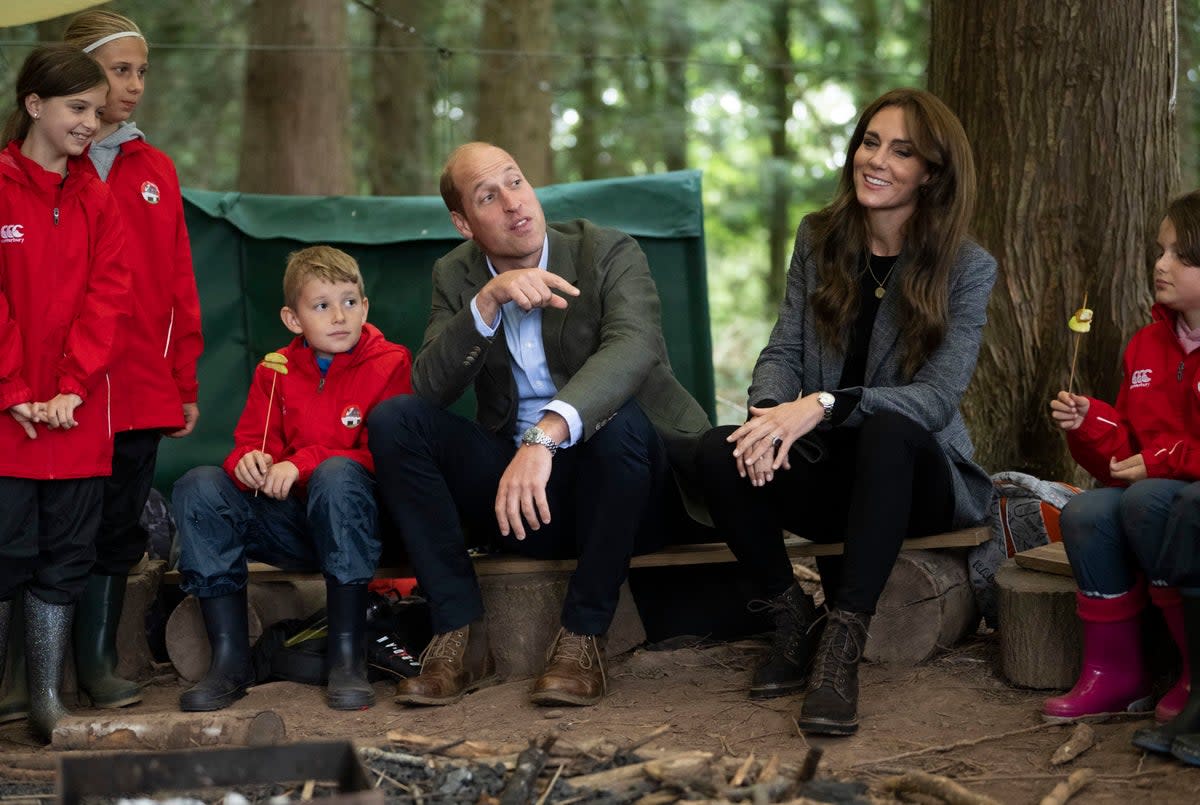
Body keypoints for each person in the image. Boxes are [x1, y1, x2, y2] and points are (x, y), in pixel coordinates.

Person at [695, 88, 996, 736]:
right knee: (715, 449)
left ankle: (843, 642)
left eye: (901, 150)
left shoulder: (967, 267)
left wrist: (826, 404)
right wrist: (770, 414)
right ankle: (791, 616)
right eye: (870, 141)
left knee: (890, 430)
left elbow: (937, 397)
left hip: (920, 479)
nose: (877, 159)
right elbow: (783, 347)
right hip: (838, 474)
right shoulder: (819, 238)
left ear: (931, 173)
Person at [368, 142, 710, 708]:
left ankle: (582, 639)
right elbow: (429, 386)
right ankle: (460, 635)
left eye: (516, 182)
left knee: (619, 421)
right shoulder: (455, 274)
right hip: (525, 503)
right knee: (396, 420)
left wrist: (544, 435)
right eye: (488, 196)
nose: (513, 203)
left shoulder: (606, 250)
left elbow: (635, 347)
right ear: (463, 222)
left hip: (630, 491)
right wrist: (486, 302)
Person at [172, 246, 412, 711]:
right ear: (293, 318)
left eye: (349, 301)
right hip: (293, 527)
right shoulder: (274, 369)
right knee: (198, 485)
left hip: (363, 528)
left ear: (365, 307)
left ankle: (347, 657)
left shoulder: (391, 362)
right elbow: (248, 442)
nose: (339, 316)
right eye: (321, 305)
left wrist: (301, 464)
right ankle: (230, 662)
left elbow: (387, 458)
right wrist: (247, 462)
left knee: (337, 474)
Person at [0, 45, 130, 741]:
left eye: (95, 111)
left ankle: (47, 700)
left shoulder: (98, 196)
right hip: (7, 419)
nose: (90, 122)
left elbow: (109, 296)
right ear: (33, 104)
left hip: (77, 417)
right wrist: (15, 388)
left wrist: (74, 387)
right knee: (5, 551)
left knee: (66, 555)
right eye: (77, 108)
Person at [1042, 191, 1200, 728]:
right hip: (1153, 492)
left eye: (1180, 253)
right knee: (1085, 512)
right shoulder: (1146, 345)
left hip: (1181, 500)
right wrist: (1091, 424)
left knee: (1149, 499)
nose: (1160, 264)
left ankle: (1193, 673)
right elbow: (1122, 455)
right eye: (1161, 250)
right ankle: (1117, 674)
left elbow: (1156, 466)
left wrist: (1166, 460)